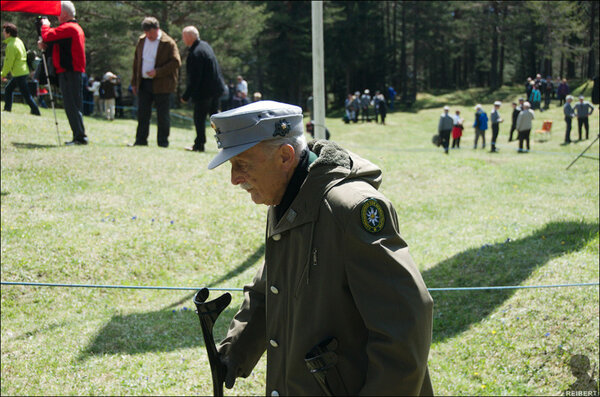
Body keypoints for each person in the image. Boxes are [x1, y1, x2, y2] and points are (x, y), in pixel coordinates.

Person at [207, 100, 434, 396]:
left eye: (243, 164)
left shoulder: (350, 209)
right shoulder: (287, 197)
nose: (234, 179)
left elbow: (405, 325)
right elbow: (272, 287)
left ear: (285, 156)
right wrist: (233, 354)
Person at [38, 1, 87, 145]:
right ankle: (79, 136)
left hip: (69, 71)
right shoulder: (73, 28)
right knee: (73, 104)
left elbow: (48, 35)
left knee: (71, 105)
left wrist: (45, 24)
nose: (57, 16)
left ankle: (80, 137)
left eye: (58, 12)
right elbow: (54, 42)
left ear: (64, 14)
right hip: (71, 71)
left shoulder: (70, 28)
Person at [129, 17, 181, 148]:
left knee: (162, 115)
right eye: (146, 33)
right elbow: (136, 62)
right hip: (144, 83)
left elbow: (176, 62)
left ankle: (162, 142)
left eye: (151, 33)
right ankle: (140, 140)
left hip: (162, 84)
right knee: (143, 113)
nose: (148, 36)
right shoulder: (141, 40)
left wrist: (158, 72)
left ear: (157, 29)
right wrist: (134, 82)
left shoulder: (168, 42)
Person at [180, 25, 225, 152]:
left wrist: (186, 95)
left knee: (199, 119)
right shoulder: (205, 46)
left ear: (189, 37)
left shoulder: (196, 53)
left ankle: (199, 145)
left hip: (204, 92)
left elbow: (195, 78)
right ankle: (228, 143)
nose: (183, 39)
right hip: (215, 90)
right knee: (216, 119)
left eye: (184, 36)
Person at [2, 22, 41, 116]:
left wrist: (3, 74)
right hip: (22, 71)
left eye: (4, 31)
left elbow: (8, 62)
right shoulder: (18, 41)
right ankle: (7, 109)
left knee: (26, 94)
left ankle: (36, 111)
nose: (3, 33)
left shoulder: (11, 45)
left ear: (8, 33)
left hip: (19, 72)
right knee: (8, 89)